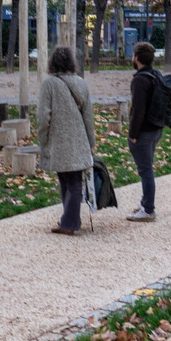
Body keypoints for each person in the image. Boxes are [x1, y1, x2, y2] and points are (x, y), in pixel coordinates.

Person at [37, 46, 96, 235]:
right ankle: (70, 218)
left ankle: (69, 222)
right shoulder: (81, 83)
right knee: (72, 179)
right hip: (79, 139)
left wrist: (43, 137)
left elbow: (43, 116)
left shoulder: (49, 84)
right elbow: (88, 116)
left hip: (58, 140)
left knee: (68, 180)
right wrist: (91, 141)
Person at [126, 41, 162, 222]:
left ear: (137, 58)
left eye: (133, 55)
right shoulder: (155, 74)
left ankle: (148, 209)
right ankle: (145, 202)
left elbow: (138, 111)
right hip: (156, 129)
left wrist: (132, 135)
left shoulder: (140, 80)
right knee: (147, 167)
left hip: (144, 132)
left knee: (146, 170)